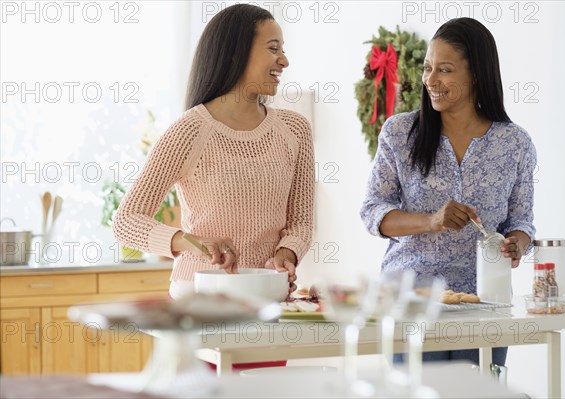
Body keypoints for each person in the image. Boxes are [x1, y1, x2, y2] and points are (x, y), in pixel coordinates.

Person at [360, 17, 536, 367]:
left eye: (445, 69)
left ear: (475, 75)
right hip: (413, 300)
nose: (431, 80)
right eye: (428, 68)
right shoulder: (400, 133)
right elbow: (372, 212)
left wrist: (517, 243)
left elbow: (523, 221)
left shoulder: (514, 143)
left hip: (485, 301)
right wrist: (432, 220)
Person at [113, 3, 314, 302]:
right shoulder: (189, 131)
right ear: (236, 52)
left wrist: (286, 254)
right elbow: (126, 221)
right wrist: (192, 243)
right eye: (273, 49)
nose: (284, 60)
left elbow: (300, 222)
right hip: (197, 300)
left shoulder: (295, 129)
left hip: (265, 298)